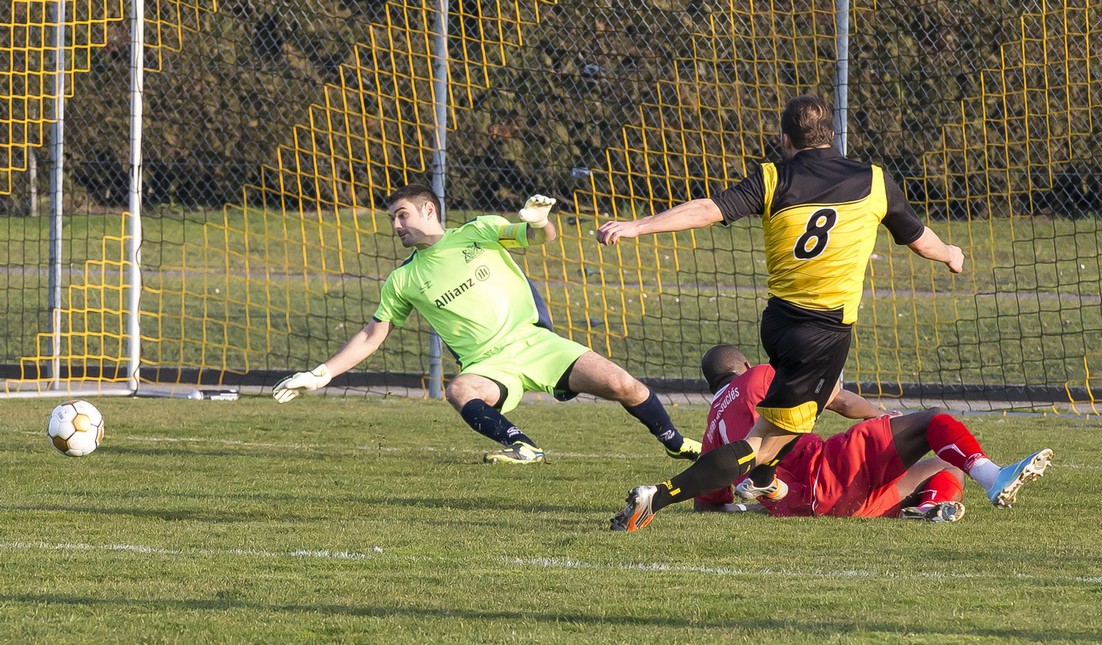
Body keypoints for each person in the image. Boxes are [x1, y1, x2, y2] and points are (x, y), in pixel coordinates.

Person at [597, 95, 966, 505]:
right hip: (823, 330)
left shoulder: (773, 177)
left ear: (786, 139)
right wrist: (951, 254)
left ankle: (764, 479)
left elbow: (707, 209)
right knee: (765, 441)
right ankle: (662, 497)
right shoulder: (874, 180)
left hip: (778, 324)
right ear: (832, 135)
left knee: (791, 423)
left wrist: (636, 226)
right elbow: (919, 239)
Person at [273, 183, 701, 464]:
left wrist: (539, 222)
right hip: (488, 365)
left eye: (401, 215)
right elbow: (372, 334)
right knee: (459, 389)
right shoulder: (403, 278)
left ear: (428, 210)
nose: (396, 226)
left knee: (624, 385)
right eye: (392, 220)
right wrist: (321, 374)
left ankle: (675, 441)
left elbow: (540, 239)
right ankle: (522, 445)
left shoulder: (478, 230)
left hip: (536, 343)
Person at [609, 344, 1053, 530]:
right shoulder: (761, 376)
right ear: (743, 367)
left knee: (934, 465)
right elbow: (837, 400)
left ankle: (924, 510)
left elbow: (712, 501)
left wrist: (753, 505)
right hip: (829, 469)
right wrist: (886, 416)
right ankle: (993, 476)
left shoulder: (710, 431)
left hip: (803, 505)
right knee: (933, 425)